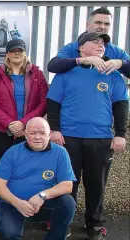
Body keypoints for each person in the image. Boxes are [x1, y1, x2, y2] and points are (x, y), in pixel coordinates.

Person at [46, 32, 128, 240]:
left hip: (100, 138)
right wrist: (54, 129)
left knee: (96, 184)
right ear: (81, 48)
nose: (101, 46)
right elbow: (53, 104)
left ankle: (95, 224)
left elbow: (121, 106)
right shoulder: (65, 74)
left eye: (103, 43)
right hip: (68, 138)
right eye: (96, 42)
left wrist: (120, 134)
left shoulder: (113, 75)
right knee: (67, 183)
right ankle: (63, 223)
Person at [0, 117, 76, 240]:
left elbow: (67, 185)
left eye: (42, 133)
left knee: (68, 203)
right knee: (9, 234)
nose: (37, 137)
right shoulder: (12, 152)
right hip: (13, 204)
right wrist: (18, 203)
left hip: (43, 203)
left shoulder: (60, 153)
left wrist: (42, 195)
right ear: (25, 134)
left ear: (50, 134)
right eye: (32, 133)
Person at [0, 39, 48, 163]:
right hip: (0, 131)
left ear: (25, 53)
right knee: (4, 166)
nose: (17, 53)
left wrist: (23, 123)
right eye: (13, 51)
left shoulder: (37, 75)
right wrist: (9, 123)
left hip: (28, 130)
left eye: (20, 50)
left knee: (26, 166)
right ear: (7, 54)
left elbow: (44, 103)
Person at [47, 7, 130, 78]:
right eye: (98, 22)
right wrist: (80, 60)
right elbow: (52, 66)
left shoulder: (116, 51)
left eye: (107, 24)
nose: (102, 27)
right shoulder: (72, 47)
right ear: (87, 26)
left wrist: (121, 63)